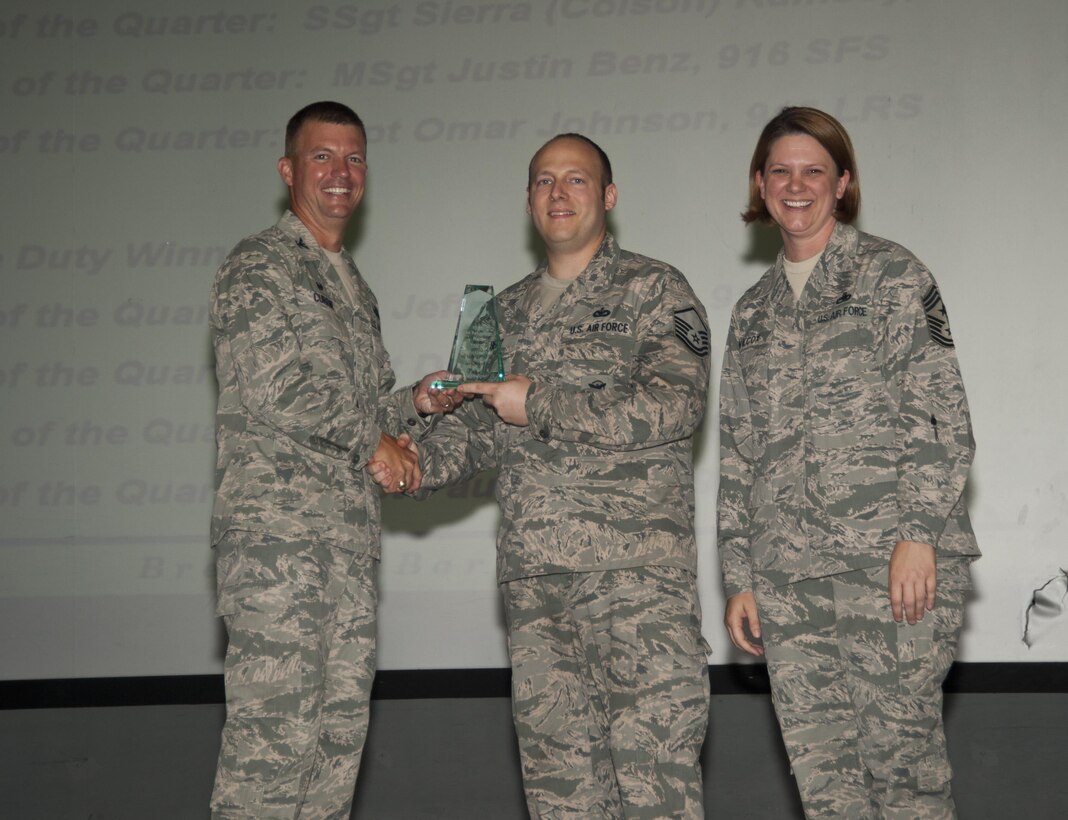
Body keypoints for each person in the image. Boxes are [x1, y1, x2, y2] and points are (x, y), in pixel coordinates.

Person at [385, 133, 712, 818]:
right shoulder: (496, 312)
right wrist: (415, 456)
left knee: (656, 790)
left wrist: (538, 402)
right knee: (561, 797)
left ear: (609, 198)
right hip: (537, 588)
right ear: (528, 200)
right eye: (542, 181)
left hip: (635, 582)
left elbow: (675, 406)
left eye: (576, 180)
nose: (558, 194)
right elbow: (474, 440)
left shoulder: (657, 289)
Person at [718, 106, 980, 818]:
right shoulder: (752, 313)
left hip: (889, 567)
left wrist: (919, 532)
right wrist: (739, 577)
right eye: (781, 171)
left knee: (903, 774)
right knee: (827, 786)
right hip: (788, 579)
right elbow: (739, 450)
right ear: (761, 184)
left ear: (843, 183)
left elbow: (938, 412)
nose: (796, 185)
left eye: (814, 171)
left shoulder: (891, 275)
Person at [209, 100, 461, 819]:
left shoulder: (355, 288)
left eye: (353, 158)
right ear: (289, 169)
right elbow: (276, 386)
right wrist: (371, 439)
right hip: (278, 546)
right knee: (270, 754)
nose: (340, 173)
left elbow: (362, 408)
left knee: (333, 752)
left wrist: (412, 403)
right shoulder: (259, 265)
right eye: (323, 157)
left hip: (345, 551)